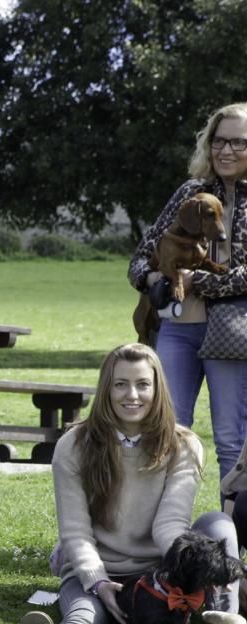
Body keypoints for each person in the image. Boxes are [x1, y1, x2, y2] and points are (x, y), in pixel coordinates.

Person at [17, 343, 244, 624]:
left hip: (159, 574)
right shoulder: (73, 445)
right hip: (97, 571)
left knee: (217, 525)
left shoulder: (184, 445)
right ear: (106, 389)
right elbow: (76, 531)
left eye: (142, 384)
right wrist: (98, 581)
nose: (132, 395)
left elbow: (170, 523)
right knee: (88, 613)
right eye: (120, 384)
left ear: (158, 388)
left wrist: (179, 571)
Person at [129, 102, 247, 482]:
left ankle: (235, 535)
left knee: (231, 437)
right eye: (219, 140)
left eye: (239, 143)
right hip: (178, 327)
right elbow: (144, 254)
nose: (226, 151)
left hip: (232, 332)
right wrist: (152, 281)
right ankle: (161, 531)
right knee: (168, 429)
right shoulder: (191, 192)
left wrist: (202, 282)